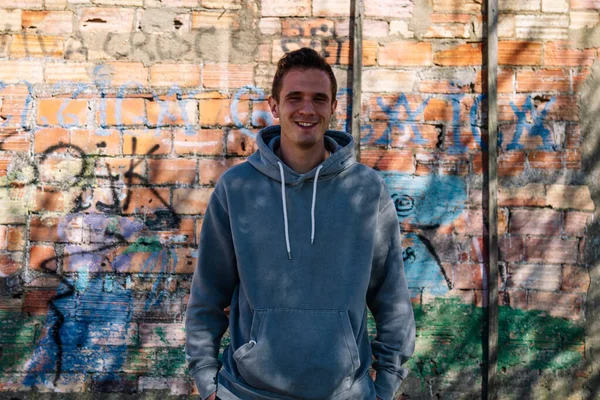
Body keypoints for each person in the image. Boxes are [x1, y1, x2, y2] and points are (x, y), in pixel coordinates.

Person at [185, 47, 415, 400]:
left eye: (319, 99)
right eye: (295, 98)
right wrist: (206, 382)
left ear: (334, 107)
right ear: (274, 106)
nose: (307, 109)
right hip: (246, 391)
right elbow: (207, 295)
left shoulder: (367, 189)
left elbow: (392, 296)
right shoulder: (237, 188)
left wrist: (384, 385)